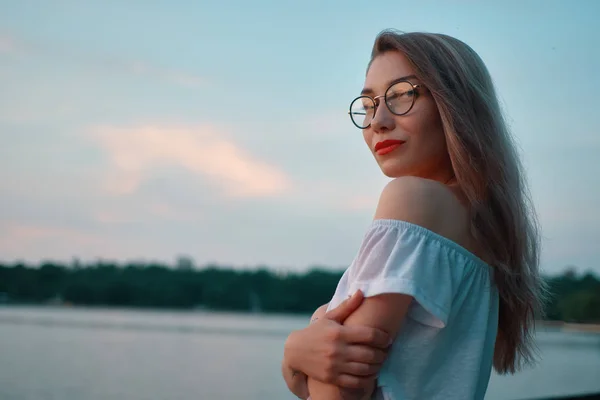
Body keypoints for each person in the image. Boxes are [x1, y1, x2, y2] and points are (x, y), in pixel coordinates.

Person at [280, 29, 546, 400]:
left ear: (454, 105)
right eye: (369, 104)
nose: (378, 121)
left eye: (403, 95)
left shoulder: (414, 199)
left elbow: (339, 388)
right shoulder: (485, 231)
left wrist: (294, 358)